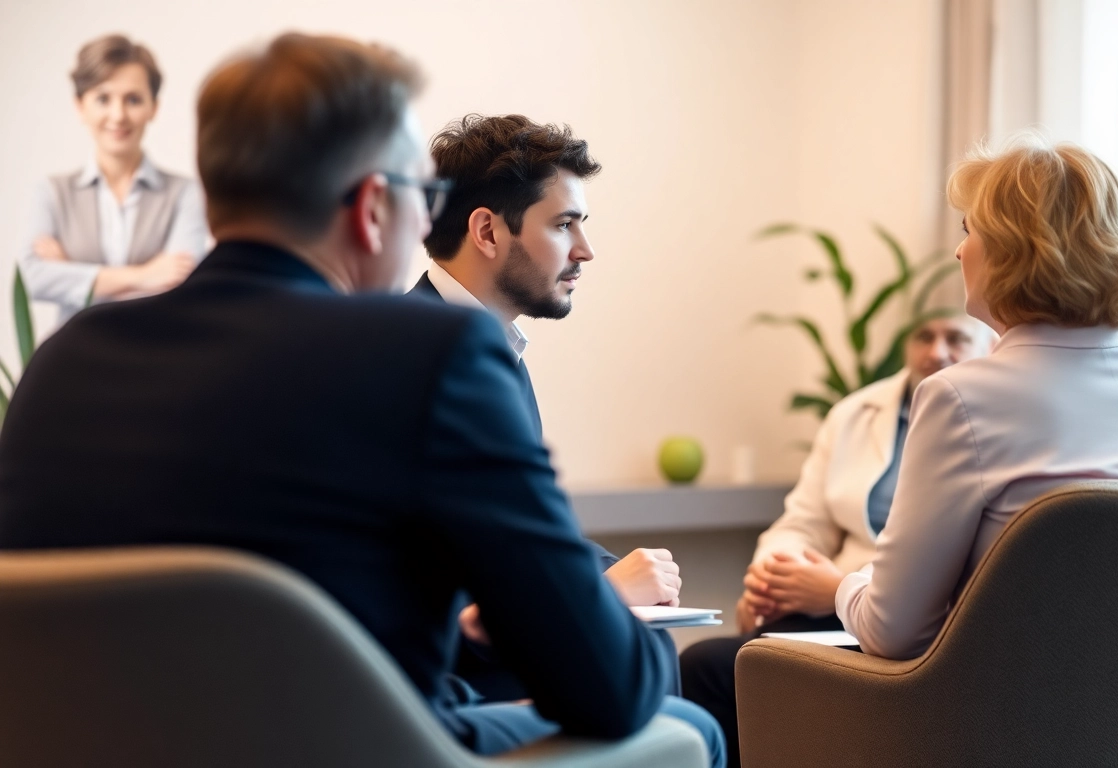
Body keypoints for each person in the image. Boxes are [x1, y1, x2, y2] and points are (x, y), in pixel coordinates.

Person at [0, 34, 723, 766]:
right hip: (356, 751)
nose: (425, 227)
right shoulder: (430, 355)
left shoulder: (63, 362)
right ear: (374, 207)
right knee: (688, 724)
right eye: (423, 198)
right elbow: (608, 684)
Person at [836, 138, 1118, 661]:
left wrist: (848, 583)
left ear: (1012, 248)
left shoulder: (959, 396)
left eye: (969, 230)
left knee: (740, 664)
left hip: (1008, 710)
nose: (958, 252)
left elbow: (892, 633)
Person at [415, 113, 683, 699]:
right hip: (450, 679)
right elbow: (437, 568)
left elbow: (513, 535)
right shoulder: (421, 359)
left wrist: (608, 573)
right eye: (564, 225)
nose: (586, 251)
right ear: (487, 232)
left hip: (486, 648)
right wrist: (602, 591)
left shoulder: (485, 348)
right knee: (648, 663)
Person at [679, 314, 992, 767]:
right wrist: (771, 580)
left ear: (988, 348)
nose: (936, 351)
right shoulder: (854, 414)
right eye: (924, 336)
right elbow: (803, 522)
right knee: (711, 663)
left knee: (717, 666)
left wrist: (835, 585)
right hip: (831, 608)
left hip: (900, 619)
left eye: (956, 338)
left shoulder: (984, 420)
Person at [20, 34, 207, 327]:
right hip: (73, 351)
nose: (118, 115)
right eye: (103, 99)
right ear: (80, 106)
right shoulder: (53, 192)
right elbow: (31, 279)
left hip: (154, 349)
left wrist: (71, 272)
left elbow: (179, 287)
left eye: (133, 100)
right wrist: (144, 276)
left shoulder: (185, 193)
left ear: (153, 107)